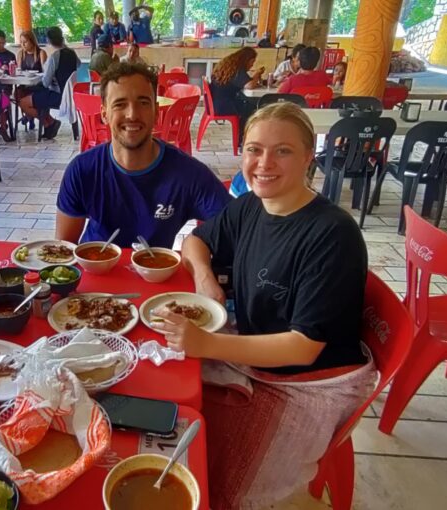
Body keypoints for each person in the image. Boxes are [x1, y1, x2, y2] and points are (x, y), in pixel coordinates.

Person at [155, 103, 374, 509]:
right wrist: (204, 276)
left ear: (310, 156)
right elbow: (195, 240)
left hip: (310, 380)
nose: (264, 163)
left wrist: (206, 344)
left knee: (218, 488)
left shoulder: (332, 235)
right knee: (163, 400)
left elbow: (302, 347)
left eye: (283, 151)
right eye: (254, 149)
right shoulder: (252, 205)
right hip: (258, 351)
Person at [56, 62, 230, 248]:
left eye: (143, 103)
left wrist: (197, 251)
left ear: (156, 112)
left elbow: (238, 227)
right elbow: (62, 251)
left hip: (155, 274)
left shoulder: (188, 174)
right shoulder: (82, 170)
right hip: (94, 270)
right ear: (104, 114)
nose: (132, 114)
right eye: (120, 104)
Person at [19, 27, 78, 140]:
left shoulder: (54, 57)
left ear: (49, 41)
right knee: (33, 94)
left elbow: (45, 83)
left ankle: (49, 124)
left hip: (58, 96)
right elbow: (78, 65)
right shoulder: (72, 53)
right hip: (70, 94)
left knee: (22, 102)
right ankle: (50, 122)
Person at [210, 47, 263, 145]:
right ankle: (243, 140)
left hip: (217, 102)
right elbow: (249, 85)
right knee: (252, 107)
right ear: (246, 60)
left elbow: (245, 82)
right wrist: (256, 75)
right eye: (252, 62)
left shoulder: (229, 65)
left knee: (249, 105)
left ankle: (244, 138)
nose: (252, 65)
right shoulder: (237, 70)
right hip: (224, 105)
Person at [16, 30, 47, 130]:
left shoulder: (41, 53)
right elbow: (18, 70)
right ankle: (30, 116)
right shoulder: (21, 54)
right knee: (16, 94)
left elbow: (45, 72)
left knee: (25, 96)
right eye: (21, 42)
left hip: (37, 85)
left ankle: (29, 116)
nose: (23, 44)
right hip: (25, 84)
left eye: (25, 42)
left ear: (32, 41)